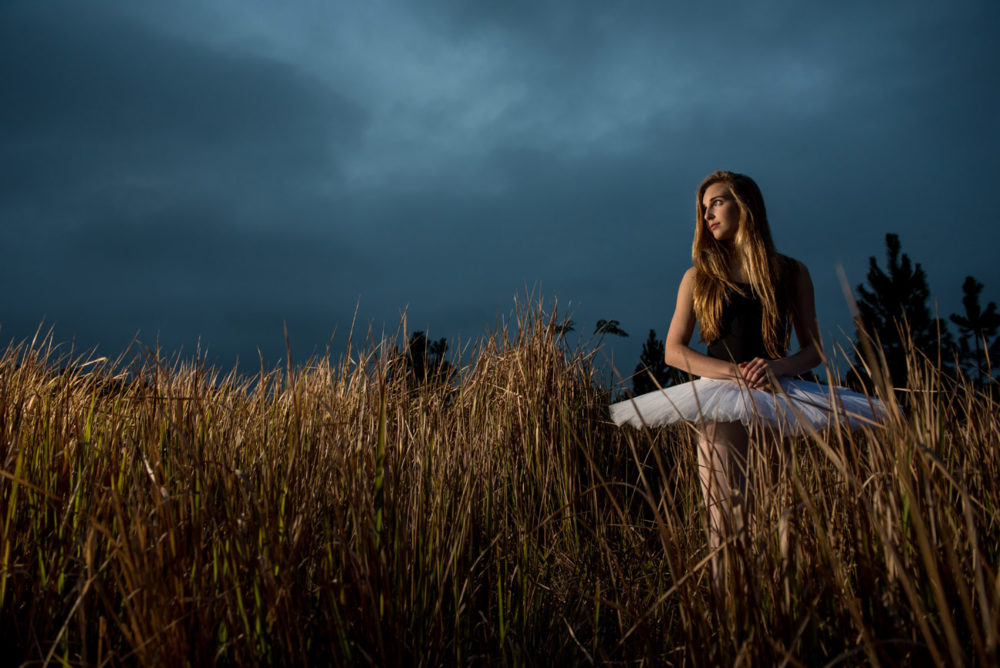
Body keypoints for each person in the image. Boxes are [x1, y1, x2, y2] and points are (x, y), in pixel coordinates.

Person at [609, 170, 885, 583]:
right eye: (703, 209)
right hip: (720, 393)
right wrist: (733, 373)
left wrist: (776, 367)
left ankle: (775, 616)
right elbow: (674, 351)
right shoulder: (698, 276)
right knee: (721, 521)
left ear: (746, 204)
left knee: (776, 517)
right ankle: (726, 620)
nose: (708, 215)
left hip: (778, 394)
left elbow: (815, 351)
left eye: (717, 202)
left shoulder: (791, 272)